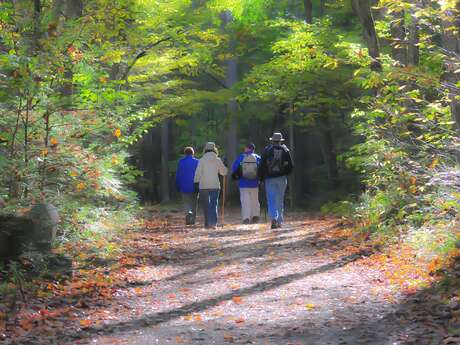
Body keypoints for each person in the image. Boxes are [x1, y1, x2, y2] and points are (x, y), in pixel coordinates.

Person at [259, 132, 294, 229]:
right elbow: (291, 166)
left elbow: (261, 165)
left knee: (271, 199)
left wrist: (261, 178)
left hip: (269, 179)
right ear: (280, 140)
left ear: (272, 140)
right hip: (282, 178)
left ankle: (273, 219)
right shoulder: (285, 150)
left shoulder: (267, 150)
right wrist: (285, 173)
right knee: (280, 199)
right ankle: (279, 221)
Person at [194, 142, 228, 229]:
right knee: (213, 204)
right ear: (214, 149)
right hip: (215, 185)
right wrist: (226, 166)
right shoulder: (218, 160)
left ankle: (207, 224)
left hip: (203, 186)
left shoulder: (201, 160)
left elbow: (198, 173)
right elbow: (224, 172)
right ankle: (213, 223)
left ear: (205, 149)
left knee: (206, 205)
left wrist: (196, 182)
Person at [231, 143, 261, 224]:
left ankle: (246, 218)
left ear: (247, 148)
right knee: (255, 200)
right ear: (253, 149)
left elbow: (234, 169)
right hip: (254, 183)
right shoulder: (258, 157)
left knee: (245, 201)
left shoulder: (241, 157)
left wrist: (236, 178)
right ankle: (255, 216)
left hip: (243, 184)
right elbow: (261, 170)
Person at [175, 147, 199, 225]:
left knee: (186, 202)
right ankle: (193, 221)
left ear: (185, 153)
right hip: (195, 186)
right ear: (193, 153)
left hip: (184, 186)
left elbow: (178, 175)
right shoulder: (197, 162)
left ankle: (188, 212)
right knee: (194, 203)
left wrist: (178, 184)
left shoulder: (181, 162)